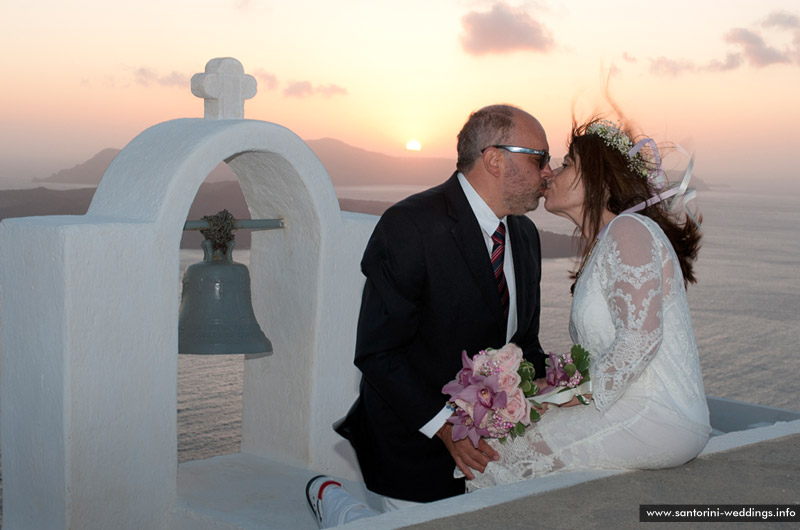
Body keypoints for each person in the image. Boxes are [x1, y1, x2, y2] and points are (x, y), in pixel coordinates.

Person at [315, 104, 551, 518]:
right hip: (413, 447)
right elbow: (378, 353)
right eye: (539, 159)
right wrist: (447, 429)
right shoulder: (410, 226)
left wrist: (560, 391)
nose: (547, 172)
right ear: (495, 159)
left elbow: (522, 344)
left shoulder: (526, 236)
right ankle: (333, 505)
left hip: (493, 454)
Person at [464, 117, 711, 490]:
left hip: (657, 415)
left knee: (500, 453)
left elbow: (640, 340)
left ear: (596, 178)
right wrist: (554, 390)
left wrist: (572, 396)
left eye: (566, 164)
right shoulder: (609, 240)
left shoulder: (629, 230)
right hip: (635, 409)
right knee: (507, 438)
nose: (551, 175)